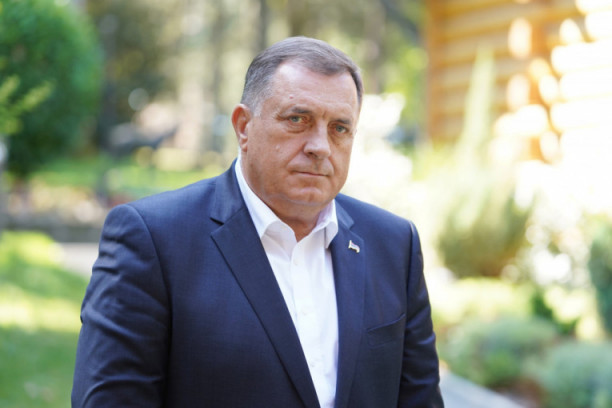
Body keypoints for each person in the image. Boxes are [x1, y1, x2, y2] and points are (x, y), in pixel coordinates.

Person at [72, 36, 443, 408]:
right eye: (298, 119)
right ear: (244, 127)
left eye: (339, 128)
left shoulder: (394, 245)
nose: (320, 146)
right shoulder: (153, 240)